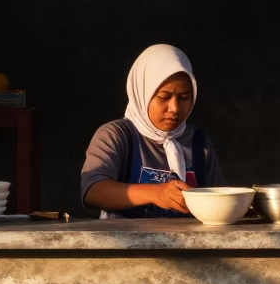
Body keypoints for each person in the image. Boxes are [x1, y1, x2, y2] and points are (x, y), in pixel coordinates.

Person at [81, 44, 224, 219]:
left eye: (184, 97)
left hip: (187, 245)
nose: (175, 108)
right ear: (142, 92)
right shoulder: (117, 136)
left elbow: (219, 198)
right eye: (164, 97)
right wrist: (156, 193)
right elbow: (93, 190)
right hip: (125, 244)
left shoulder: (198, 142)